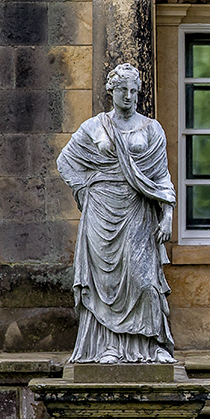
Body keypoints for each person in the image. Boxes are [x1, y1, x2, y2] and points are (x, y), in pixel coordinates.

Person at [57, 63, 177, 364]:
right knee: (105, 283)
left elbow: (161, 177)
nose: (129, 96)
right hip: (101, 210)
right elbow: (65, 162)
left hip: (137, 210)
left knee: (145, 280)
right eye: (123, 89)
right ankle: (107, 347)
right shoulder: (94, 127)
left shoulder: (151, 129)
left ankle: (152, 344)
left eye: (134, 90)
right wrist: (84, 188)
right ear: (111, 91)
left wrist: (167, 216)